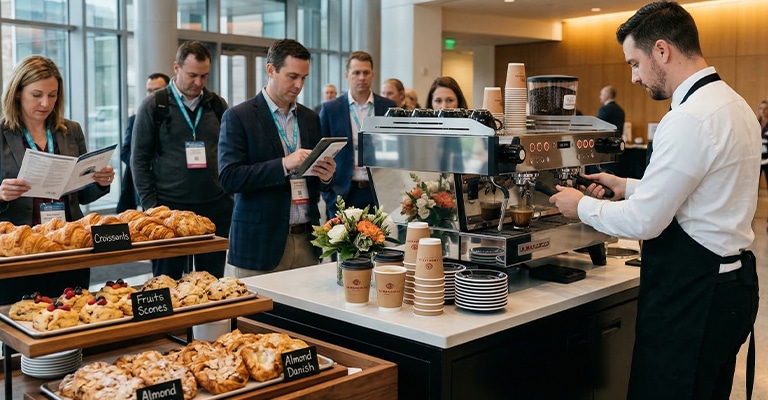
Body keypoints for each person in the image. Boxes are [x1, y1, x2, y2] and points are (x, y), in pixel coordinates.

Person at [548, 2, 759, 399]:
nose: (634, 77)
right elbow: (701, 194)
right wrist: (625, 185)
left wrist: (581, 206)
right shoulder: (732, 103)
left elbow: (646, 222)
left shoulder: (688, 118)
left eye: (634, 63)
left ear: (662, 50)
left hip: (693, 298)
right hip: (728, 286)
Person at [0, 55, 115, 304]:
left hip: (68, 246)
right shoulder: (2, 133)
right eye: (37, 94)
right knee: (21, 327)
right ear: (18, 93)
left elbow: (81, 195)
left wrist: (100, 182)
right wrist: (1, 194)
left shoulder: (70, 130)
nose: (45, 103)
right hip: (20, 250)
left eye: (52, 95)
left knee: (73, 318)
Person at [218, 39, 336, 277]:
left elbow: (318, 182)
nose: (298, 84)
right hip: (260, 244)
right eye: (292, 76)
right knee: (256, 315)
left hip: (306, 240)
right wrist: (284, 164)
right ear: (270, 70)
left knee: (305, 315)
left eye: (304, 77)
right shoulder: (238, 117)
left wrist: (326, 176)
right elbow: (229, 177)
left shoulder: (310, 118)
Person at [131, 41, 233, 280]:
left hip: (214, 210)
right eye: (192, 75)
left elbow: (229, 154)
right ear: (176, 67)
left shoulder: (217, 106)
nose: (198, 82)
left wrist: (230, 197)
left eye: (204, 76)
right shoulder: (154, 106)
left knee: (211, 283)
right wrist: (152, 208)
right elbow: (139, 160)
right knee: (168, 283)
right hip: (169, 211)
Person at [319, 51, 395, 219]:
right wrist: (329, 195)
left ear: (372, 75)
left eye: (366, 72)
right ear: (347, 75)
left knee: (377, 243)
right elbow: (321, 154)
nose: (362, 77)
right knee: (342, 245)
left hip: (377, 192)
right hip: (343, 192)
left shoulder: (388, 108)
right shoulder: (331, 109)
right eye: (356, 73)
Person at [116, 72, 170, 213]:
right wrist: (144, 164)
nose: (151, 95)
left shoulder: (171, 117)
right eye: (149, 91)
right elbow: (125, 152)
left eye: (156, 90)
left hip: (167, 185)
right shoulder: (136, 118)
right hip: (143, 186)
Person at [427, 76, 468, 172]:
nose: (444, 107)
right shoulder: (424, 134)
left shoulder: (470, 132)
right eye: (438, 101)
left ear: (459, 101)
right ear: (431, 103)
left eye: (449, 100)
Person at [758, 100, 768, 191]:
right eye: (761, 109)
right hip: (758, 160)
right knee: (755, 185)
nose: (763, 111)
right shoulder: (756, 123)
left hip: (767, 160)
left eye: (765, 109)